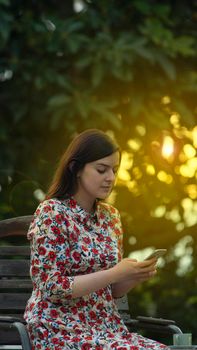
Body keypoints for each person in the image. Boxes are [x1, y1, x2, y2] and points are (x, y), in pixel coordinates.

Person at [24, 129, 170, 349]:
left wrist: (133, 276)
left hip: (106, 328)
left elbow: (111, 291)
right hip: (58, 328)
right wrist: (115, 272)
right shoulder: (52, 213)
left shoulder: (110, 217)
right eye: (101, 169)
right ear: (76, 169)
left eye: (114, 170)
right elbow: (51, 287)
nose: (110, 177)